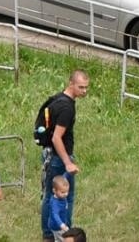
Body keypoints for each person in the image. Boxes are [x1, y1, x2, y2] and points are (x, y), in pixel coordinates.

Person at [38, 70, 90, 242]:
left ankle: (48, 234)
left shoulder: (58, 99)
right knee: (65, 194)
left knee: (49, 195)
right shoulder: (67, 108)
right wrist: (68, 162)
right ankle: (65, 234)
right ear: (71, 83)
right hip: (59, 158)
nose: (84, 91)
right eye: (81, 87)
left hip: (49, 154)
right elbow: (56, 137)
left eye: (86, 87)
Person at [40, 173, 74, 239]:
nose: (65, 194)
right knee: (62, 239)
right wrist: (61, 225)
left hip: (60, 223)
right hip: (57, 226)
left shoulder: (60, 195)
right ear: (54, 191)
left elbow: (63, 178)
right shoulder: (55, 203)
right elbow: (55, 215)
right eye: (63, 192)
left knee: (59, 238)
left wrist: (68, 173)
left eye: (67, 191)